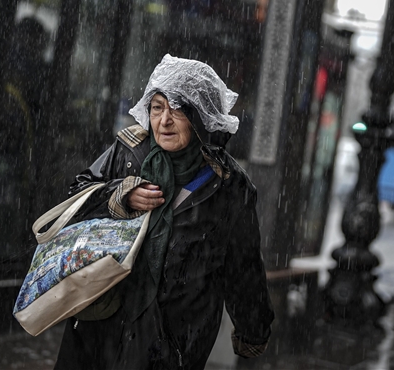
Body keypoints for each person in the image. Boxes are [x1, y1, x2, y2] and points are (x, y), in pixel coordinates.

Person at [54, 54, 274, 370]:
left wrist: (253, 331)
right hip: (100, 328)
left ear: (201, 117)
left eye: (178, 110)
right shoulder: (131, 152)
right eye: (157, 108)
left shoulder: (229, 187)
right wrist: (120, 194)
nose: (164, 120)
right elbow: (77, 197)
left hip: (173, 342)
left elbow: (243, 265)